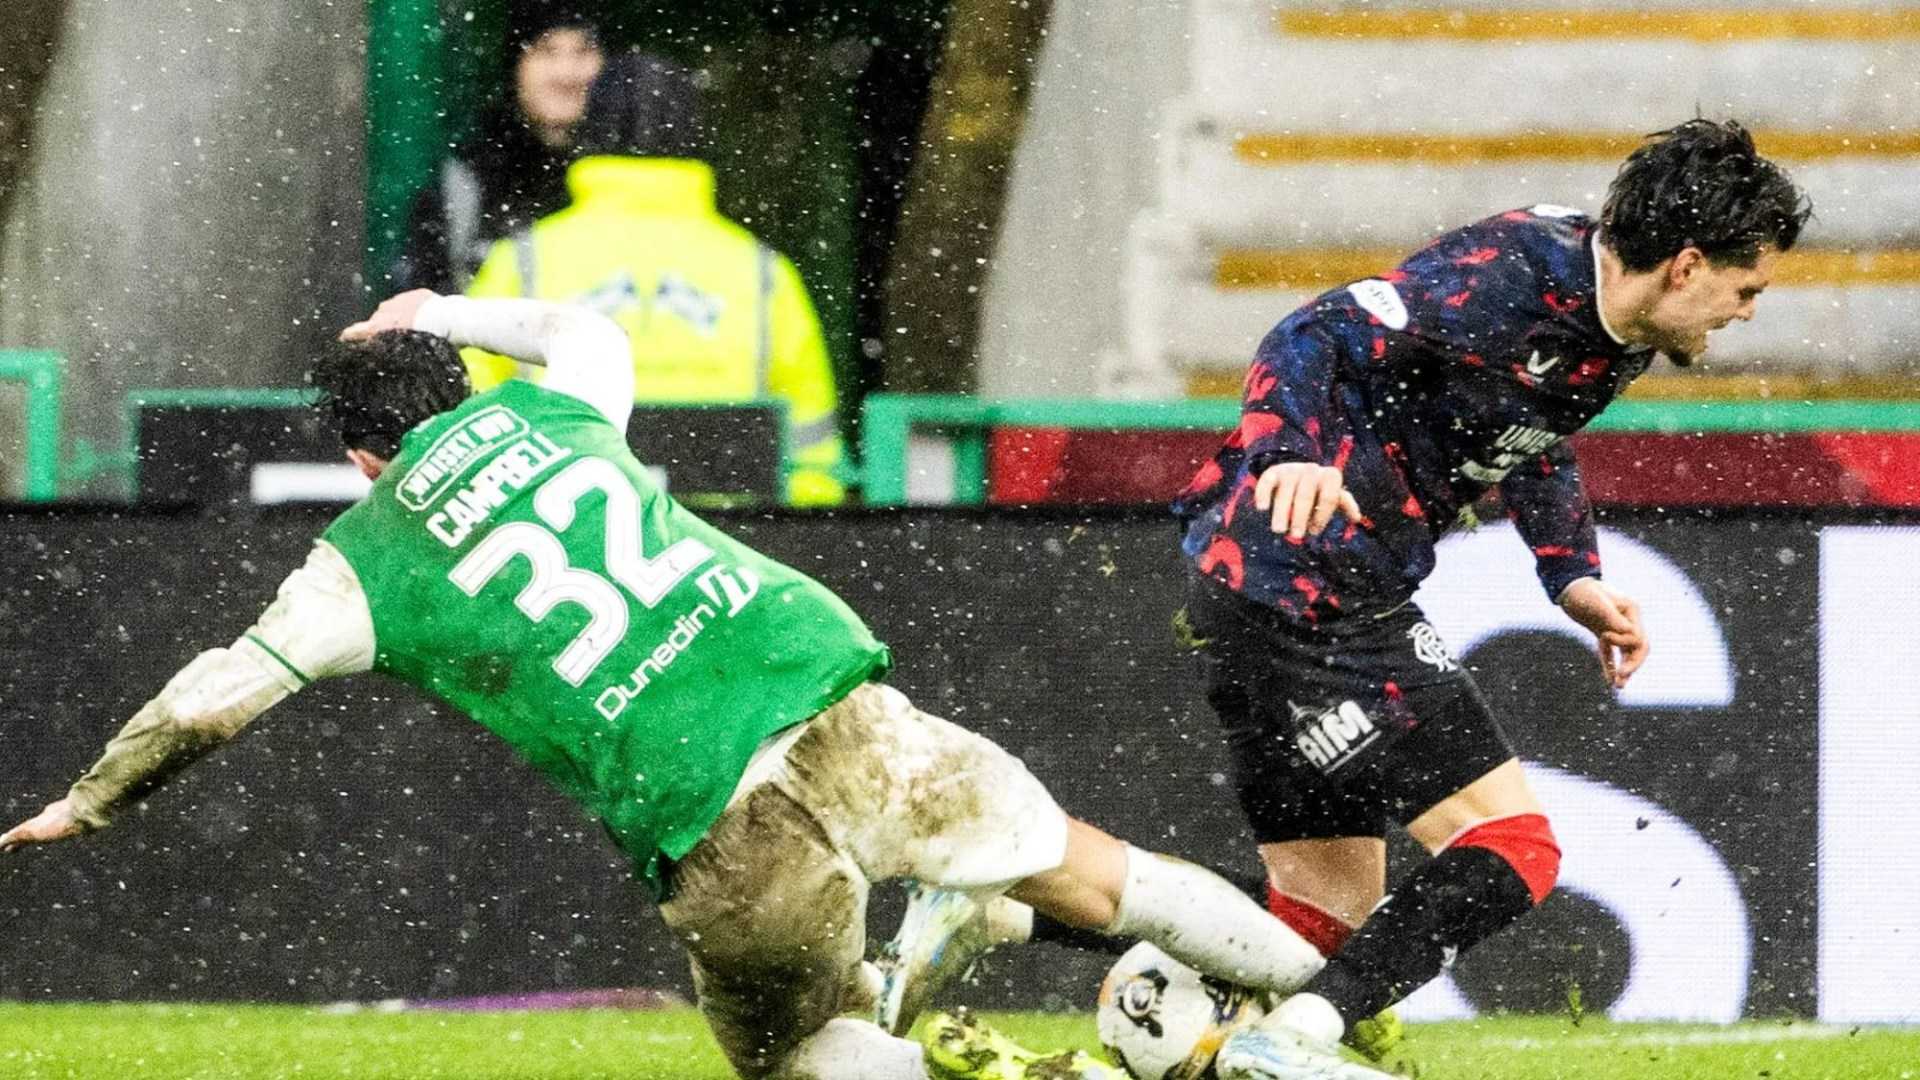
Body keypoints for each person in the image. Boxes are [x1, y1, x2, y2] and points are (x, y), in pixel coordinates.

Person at [0, 290, 1332, 1080]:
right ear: (464, 383)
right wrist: (437, 312)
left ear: (358, 457)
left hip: (712, 816)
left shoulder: (356, 567)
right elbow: (578, 324)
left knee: (800, 1053)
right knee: (1086, 874)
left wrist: (91, 801)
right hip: (822, 691)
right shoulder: (559, 407)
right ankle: (1336, 1014)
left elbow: (213, 693)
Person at [878, 119, 1810, 1080]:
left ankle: (1005, 899)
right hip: (1312, 586)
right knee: (1515, 849)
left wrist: (1568, 571)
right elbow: (1312, 333)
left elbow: (1534, 431)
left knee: (1319, 935)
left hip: (1273, 586)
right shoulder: (1513, 275)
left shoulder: (1611, 324)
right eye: (1747, 290)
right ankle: (1292, 1044)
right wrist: (1291, 447)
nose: (1744, 313)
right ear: (1687, 265)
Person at [464, 52, 851, 508]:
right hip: (715, 554)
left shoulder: (522, 261)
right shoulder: (765, 273)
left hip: (565, 544)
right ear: (699, 136)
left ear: (590, 133)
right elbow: (813, 463)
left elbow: (469, 424)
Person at [389, 4, 605, 294]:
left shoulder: (628, 180)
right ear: (516, 66)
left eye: (583, 52)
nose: (566, 73)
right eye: (547, 51)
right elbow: (424, 312)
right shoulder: (466, 185)